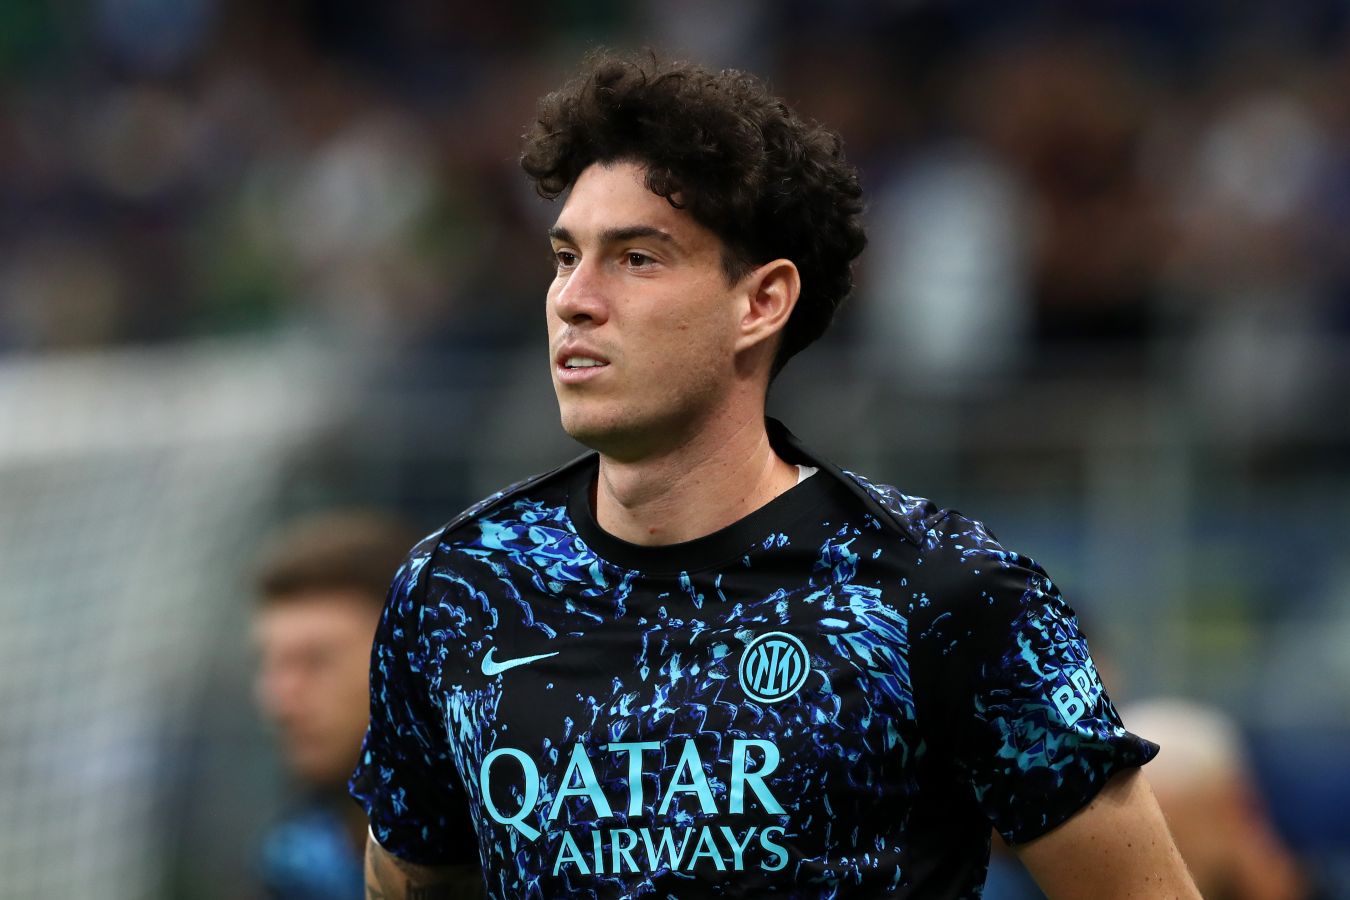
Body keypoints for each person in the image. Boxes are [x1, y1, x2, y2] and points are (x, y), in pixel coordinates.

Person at [350, 50, 1199, 898]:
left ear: (761, 302)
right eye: (566, 256)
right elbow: (407, 880)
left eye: (637, 258)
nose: (575, 298)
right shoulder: (457, 589)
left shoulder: (942, 592)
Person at [251, 512, 419, 900]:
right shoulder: (291, 862)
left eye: (317, 662)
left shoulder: (519, 852)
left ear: (410, 664)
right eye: (270, 663)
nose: (279, 701)